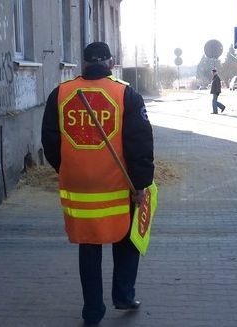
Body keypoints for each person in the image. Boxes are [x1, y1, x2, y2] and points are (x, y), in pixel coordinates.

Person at [41, 41, 154, 325]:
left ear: (84, 63)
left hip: (77, 187)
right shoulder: (126, 94)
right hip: (118, 185)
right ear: (111, 64)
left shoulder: (61, 93)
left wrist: (68, 168)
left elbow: (50, 140)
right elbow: (139, 144)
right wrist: (141, 184)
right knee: (126, 239)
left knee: (88, 246)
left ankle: (92, 311)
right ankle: (123, 296)